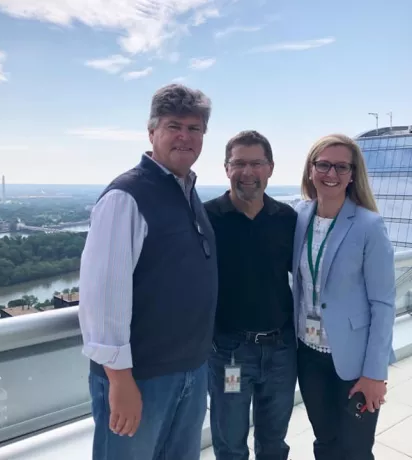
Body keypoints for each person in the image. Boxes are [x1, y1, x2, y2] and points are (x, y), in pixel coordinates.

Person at [78, 83, 218, 460]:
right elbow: (102, 295)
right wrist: (120, 380)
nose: (185, 137)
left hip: (190, 370)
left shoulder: (186, 193)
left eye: (195, 129)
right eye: (174, 126)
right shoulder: (126, 196)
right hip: (140, 378)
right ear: (152, 131)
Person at [293, 134, 396, 460]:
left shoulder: (369, 225)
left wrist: (375, 374)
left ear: (353, 174)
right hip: (309, 356)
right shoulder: (299, 217)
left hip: (355, 361)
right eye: (323, 164)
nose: (331, 174)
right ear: (311, 170)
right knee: (325, 442)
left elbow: (383, 304)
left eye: (341, 166)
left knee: (355, 449)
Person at [205, 130, 298, 460]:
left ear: (270, 168)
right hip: (229, 350)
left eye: (256, 163)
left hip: (282, 349)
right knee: (230, 444)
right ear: (226, 168)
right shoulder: (206, 218)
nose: (248, 172)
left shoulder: (287, 219)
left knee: (274, 443)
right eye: (239, 163)